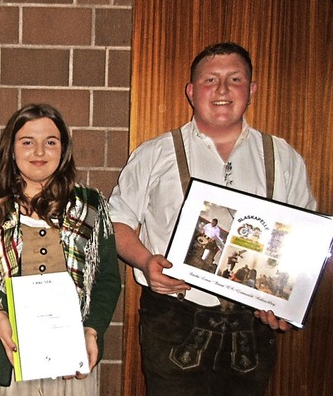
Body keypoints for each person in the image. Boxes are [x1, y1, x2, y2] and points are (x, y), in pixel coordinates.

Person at [108, 42, 316, 396]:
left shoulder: (283, 157)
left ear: (251, 90)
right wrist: (146, 262)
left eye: (234, 79)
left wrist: (287, 303)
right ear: (191, 92)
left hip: (252, 329)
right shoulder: (154, 153)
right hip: (173, 322)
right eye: (210, 80)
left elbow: (305, 241)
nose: (221, 89)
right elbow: (116, 222)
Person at [0, 103, 121, 395]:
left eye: (50, 142)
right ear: (11, 149)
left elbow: (108, 279)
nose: (39, 152)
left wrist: (91, 330)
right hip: (4, 357)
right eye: (27, 142)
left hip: (72, 361)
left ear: (63, 150)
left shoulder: (91, 206)